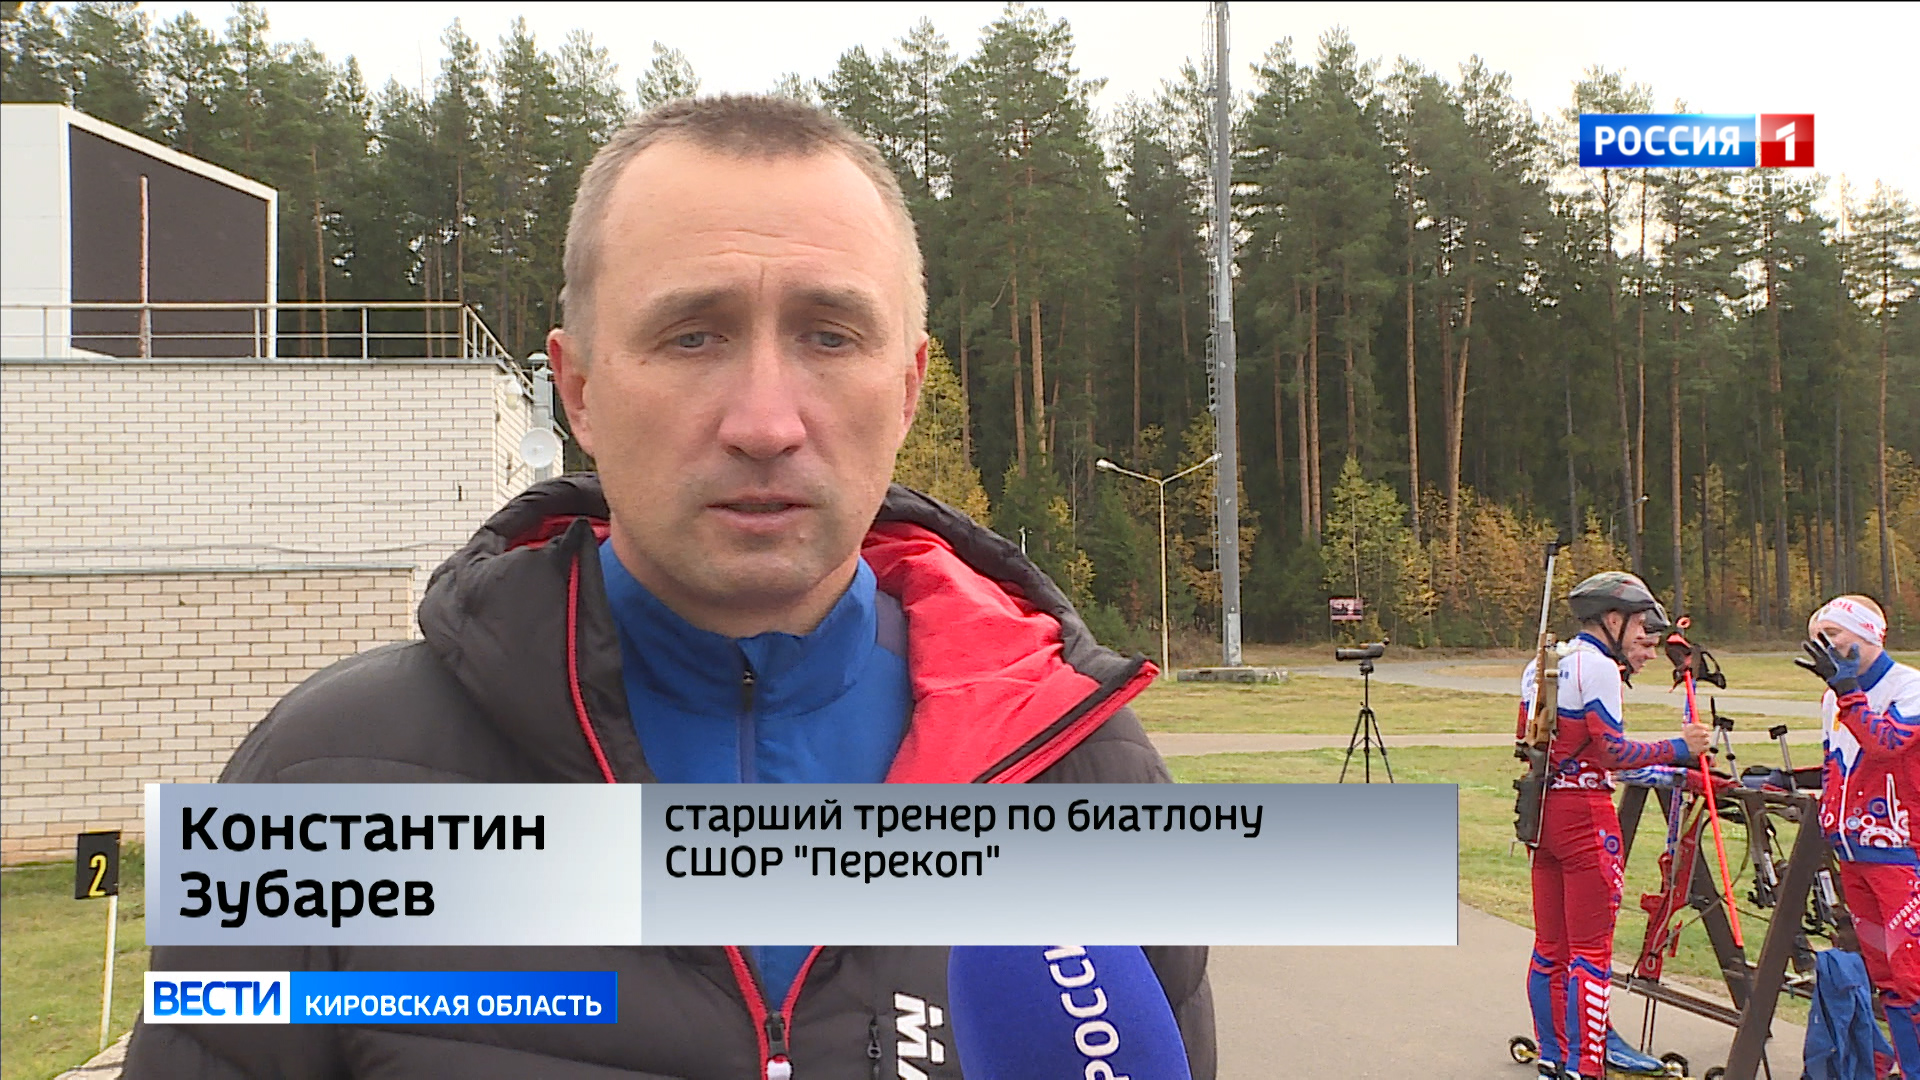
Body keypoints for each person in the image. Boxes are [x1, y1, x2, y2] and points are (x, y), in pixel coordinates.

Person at [124, 95, 1214, 1079]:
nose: (765, 423)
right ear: (579, 391)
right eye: (692, 337)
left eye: (831, 337)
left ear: (908, 390)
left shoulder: (1094, 782)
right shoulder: (316, 783)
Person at [1517, 572, 1710, 1080]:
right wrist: (1680, 747)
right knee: (1590, 952)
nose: (1644, 638)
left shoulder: (1541, 664)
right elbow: (1613, 753)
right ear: (1612, 620)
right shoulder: (1598, 667)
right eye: (1640, 626)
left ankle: (1553, 1055)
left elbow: (1534, 745)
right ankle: (1587, 1065)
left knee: (1550, 948)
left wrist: (1669, 768)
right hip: (1585, 818)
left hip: (1544, 816)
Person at [1802, 594, 1920, 1076]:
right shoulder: (1834, 696)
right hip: (1853, 854)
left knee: (1913, 976)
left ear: (1869, 634)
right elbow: (1836, 761)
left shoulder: (1909, 686)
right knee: (1886, 977)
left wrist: (1849, 692)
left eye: (1833, 636)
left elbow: (1886, 744)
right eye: (1817, 640)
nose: (1825, 648)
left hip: (1902, 853)